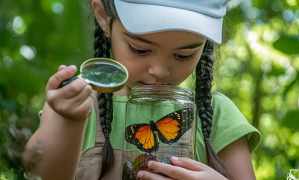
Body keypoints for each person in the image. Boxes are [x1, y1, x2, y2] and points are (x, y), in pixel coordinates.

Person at [23, 0, 261, 180]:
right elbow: (39, 172)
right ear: (103, 16)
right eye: (140, 49)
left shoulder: (217, 115)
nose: (159, 70)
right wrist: (68, 120)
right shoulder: (76, 104)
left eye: (183, 55)